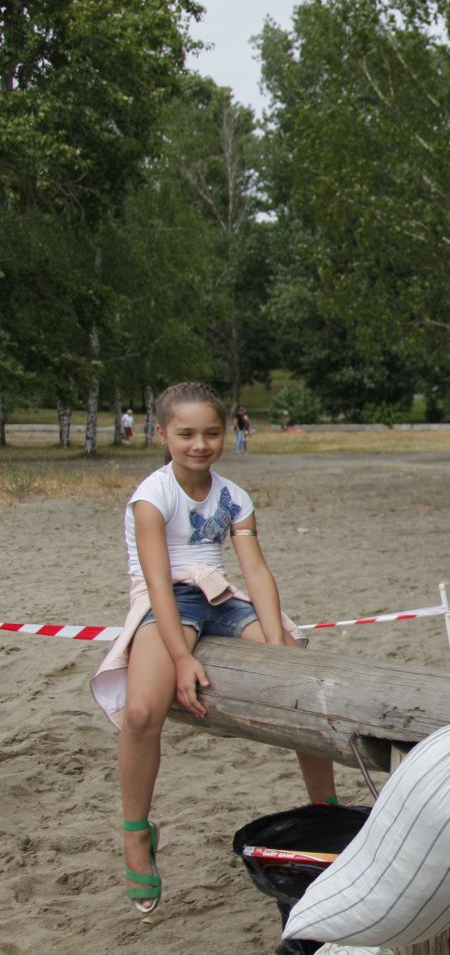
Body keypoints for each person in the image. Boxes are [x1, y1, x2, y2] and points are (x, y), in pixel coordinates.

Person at [89, 383, 338, 914]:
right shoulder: (151, 497)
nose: (199, 444)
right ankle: (136, 831)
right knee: (142, 711)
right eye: (185, 434)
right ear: (162, 435)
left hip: (218, 595)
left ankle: (328, 811)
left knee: (302, 674)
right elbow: (158, 582)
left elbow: (256, 572)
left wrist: (276, 645)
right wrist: (182, 658)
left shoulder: (234, 497)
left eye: (210, 433)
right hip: (168, 598)